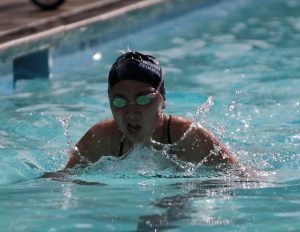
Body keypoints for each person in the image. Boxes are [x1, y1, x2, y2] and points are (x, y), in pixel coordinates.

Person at [43, 51, 237, 178]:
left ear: (163, 100)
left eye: (143, 99)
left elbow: (241, 178)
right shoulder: (102, 138)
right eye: (119, 101)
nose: (131, 111)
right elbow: (64, 180)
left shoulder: (188, 137)